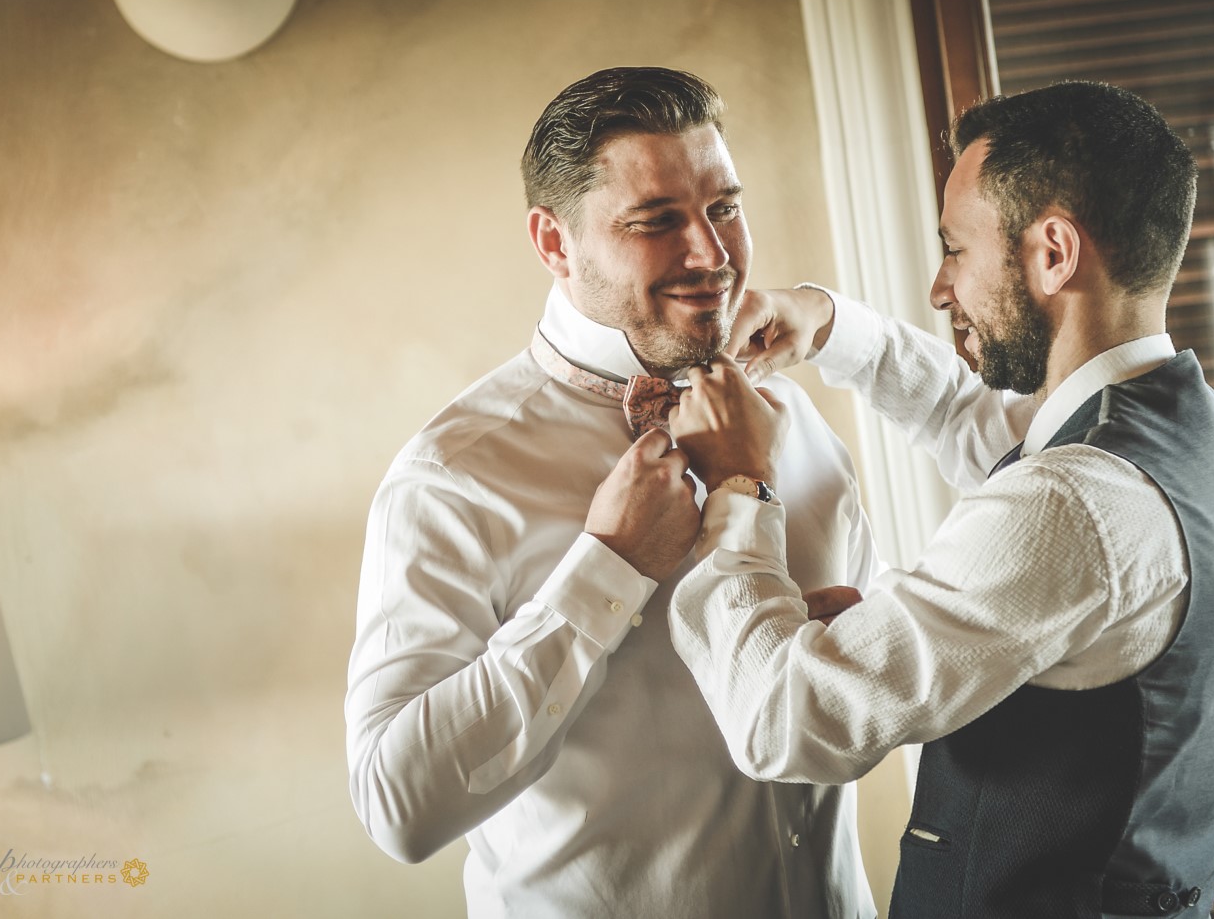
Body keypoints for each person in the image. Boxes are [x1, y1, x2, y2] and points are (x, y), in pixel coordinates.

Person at [604, 81, 1214, 917]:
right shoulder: (1202, 436)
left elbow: (783, 717)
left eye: (956, 249)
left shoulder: (1075, 503)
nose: (938, 287)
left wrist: (741, 486)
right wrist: (825, 323)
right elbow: (984, 428)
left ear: (1054, 252)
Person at [344, 67, 880, 918]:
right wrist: (609, 567)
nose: (711, 254)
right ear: (555, 244)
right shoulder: (455, 476)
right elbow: (396, 806)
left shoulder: (797, 423)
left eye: (725, 208)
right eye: (657, 221)